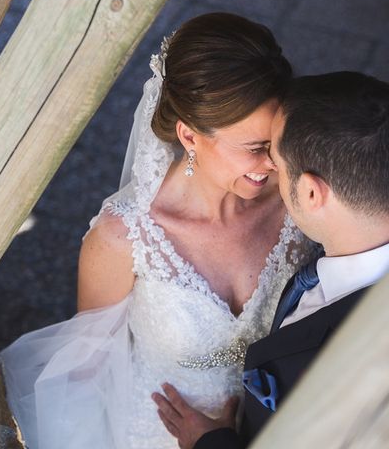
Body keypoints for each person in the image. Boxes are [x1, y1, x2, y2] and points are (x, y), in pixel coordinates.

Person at [0, 13, 318, 448]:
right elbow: (88, 367)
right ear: (189, 136)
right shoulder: (123, 238)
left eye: (279, 144)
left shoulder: (301, 201)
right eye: (254, 149)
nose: (273, 163)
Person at [152, 71, 389, 449]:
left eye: (276, 158)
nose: (267, 169)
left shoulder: (353, 361)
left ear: (311, 192)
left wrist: (211, 443)